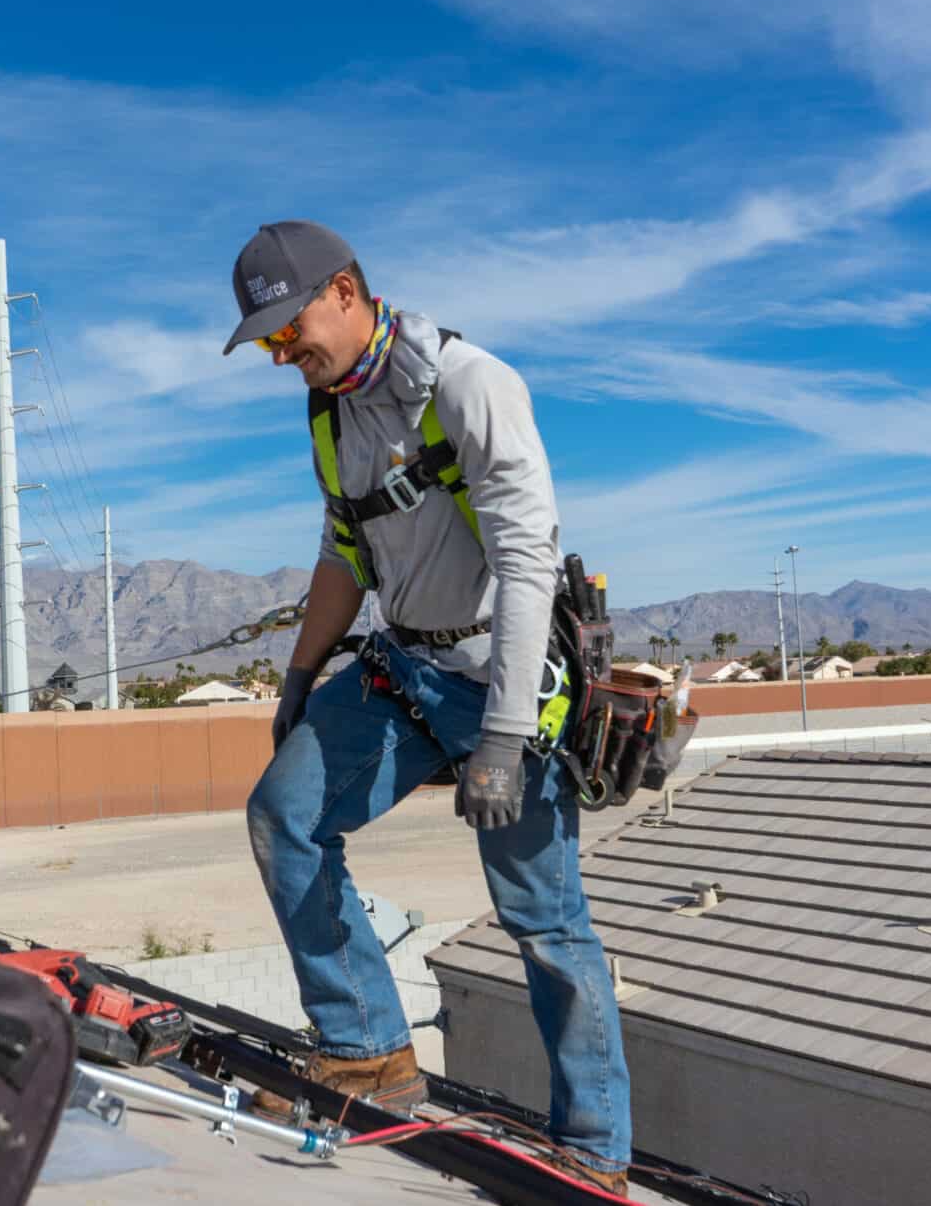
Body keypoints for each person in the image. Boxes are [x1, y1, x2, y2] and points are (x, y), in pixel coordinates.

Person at [222, 220, 632, 1195]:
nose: (285, 355)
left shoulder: (466, 386)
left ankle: (595, 1151)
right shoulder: (329, 414)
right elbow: (343, 552)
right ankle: (367, 1047)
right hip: (402, 669)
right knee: (283, 814)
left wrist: (499, 738)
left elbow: (528, 564)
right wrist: (297, 674)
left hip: (504, 678)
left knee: (541, 915)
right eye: (270, 343)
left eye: (290, 330)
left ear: (346, 291)